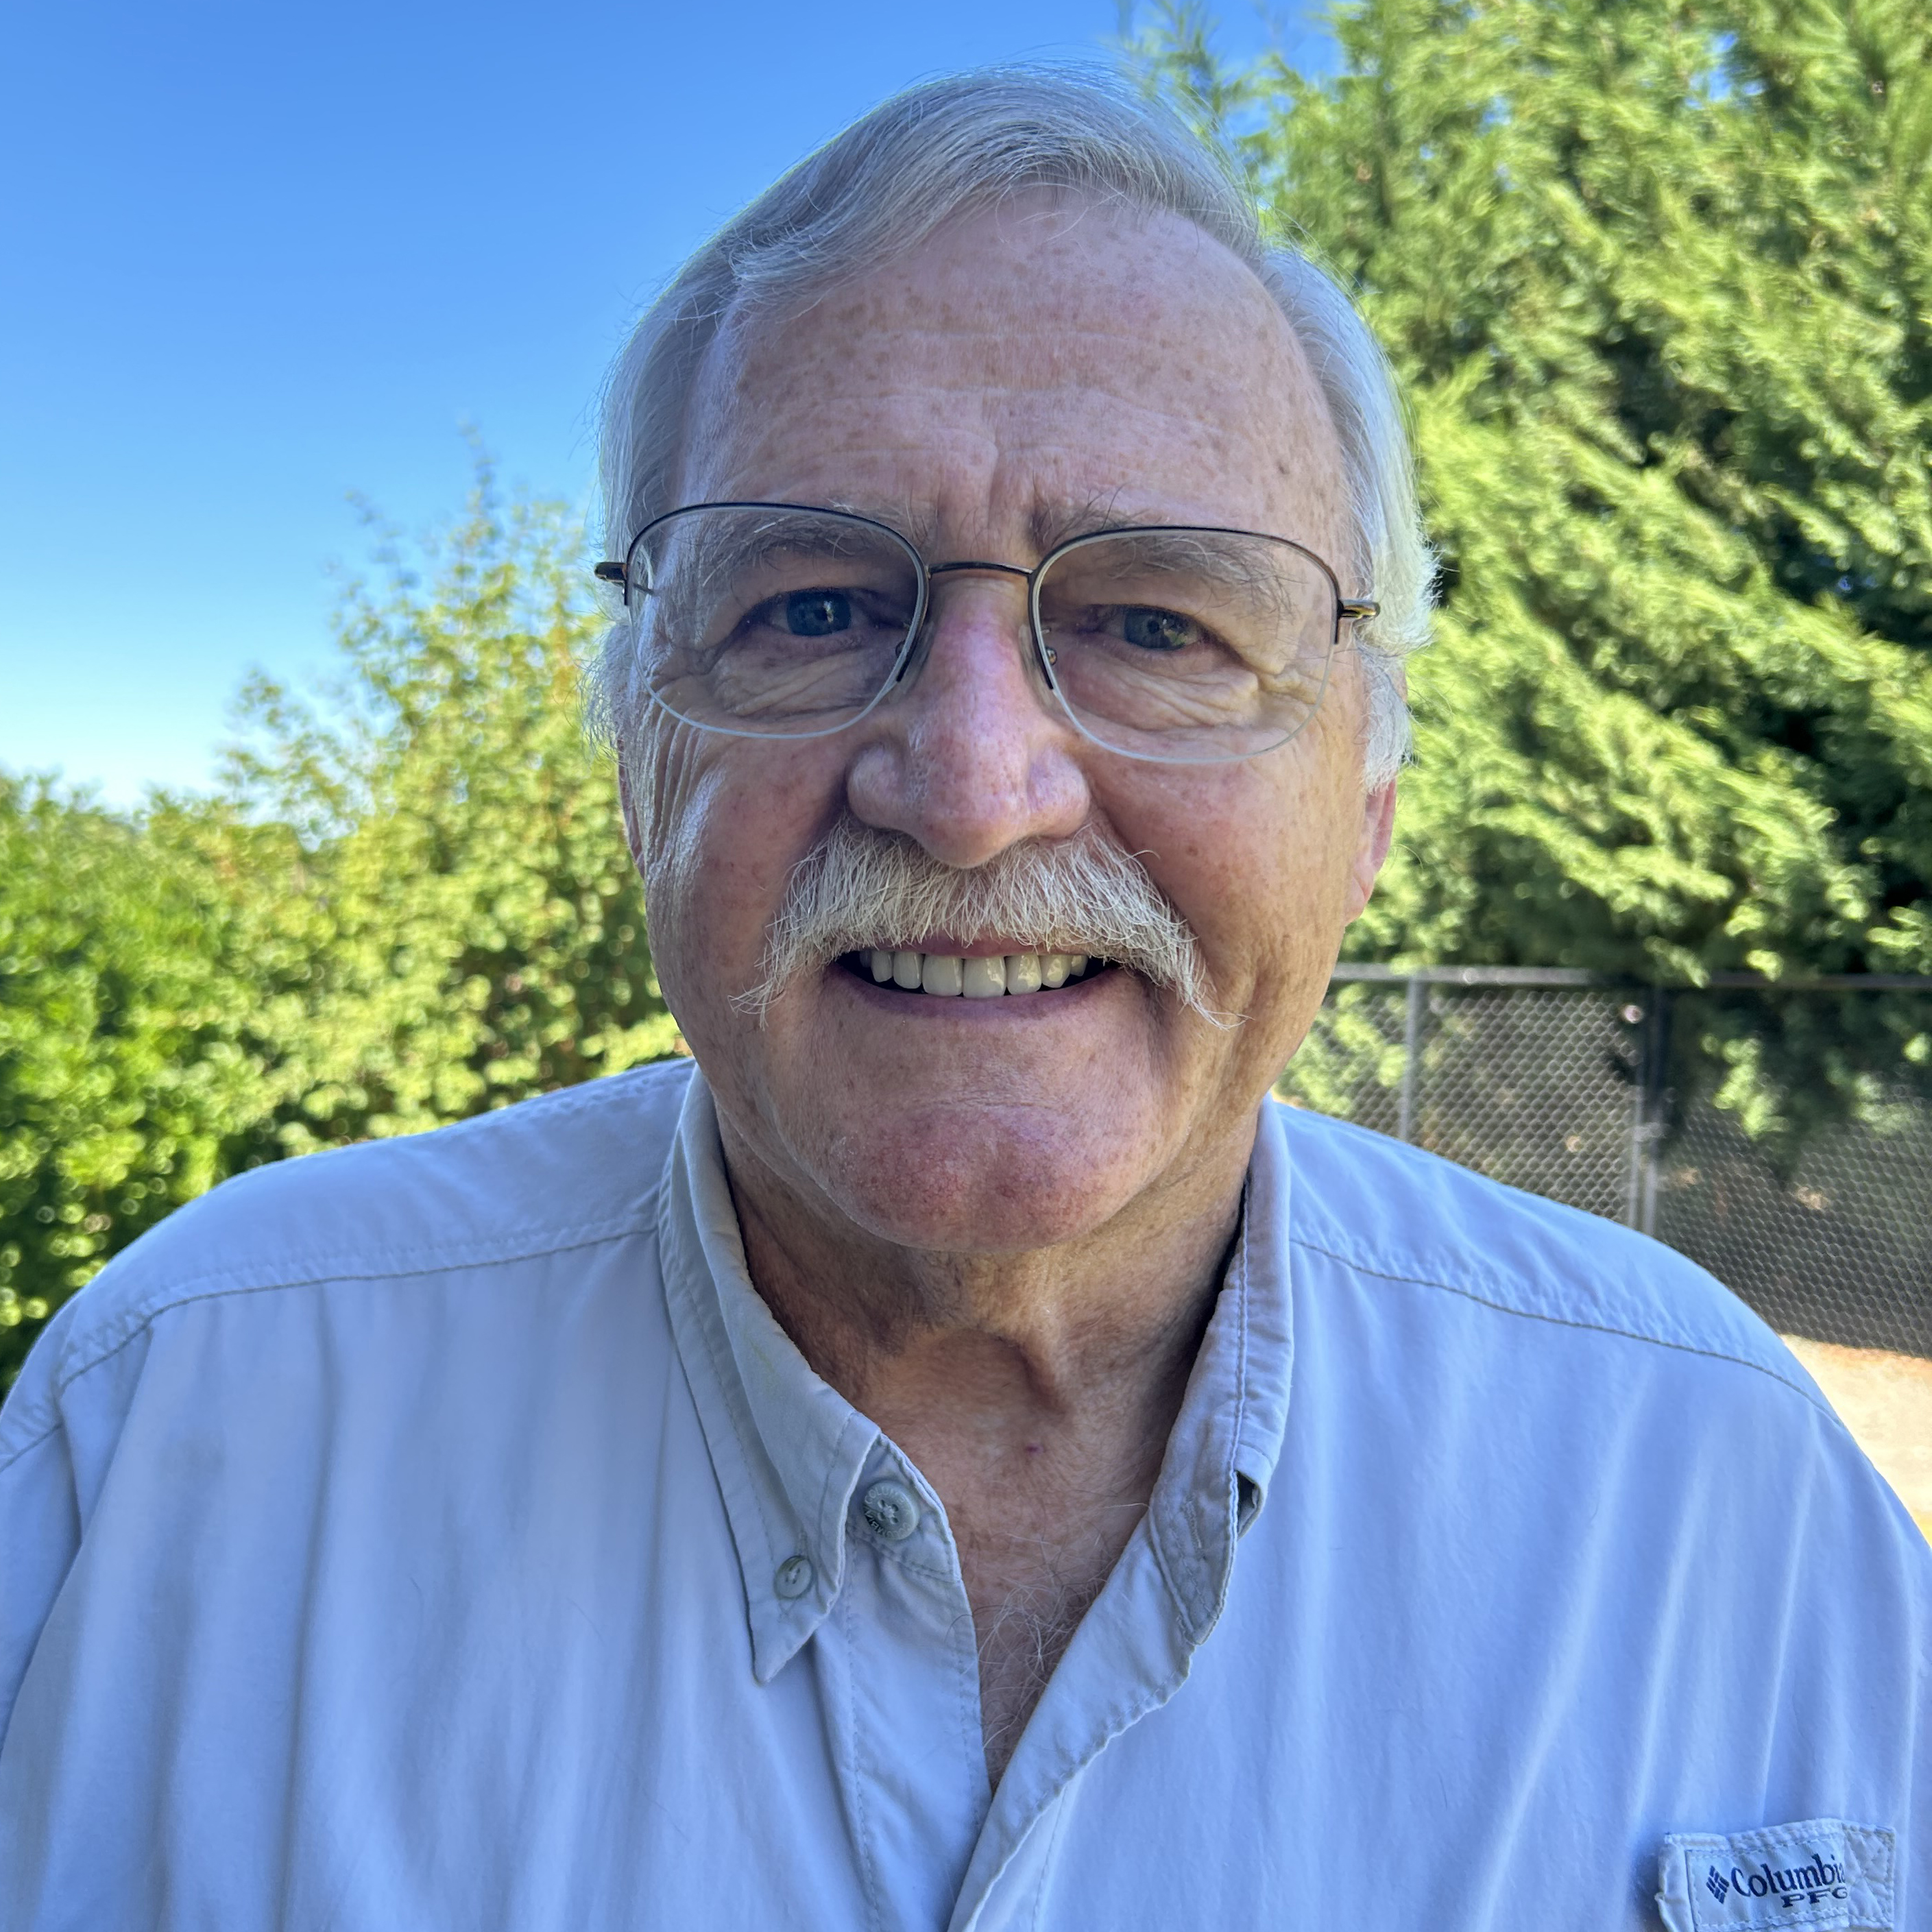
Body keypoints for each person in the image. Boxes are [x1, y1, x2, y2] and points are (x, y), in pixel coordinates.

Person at [0, 65, 1924, 1932]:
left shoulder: (1715, 1504)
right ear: (638, 763)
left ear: (1363, 806)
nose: (975, 785)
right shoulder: (170, 1444)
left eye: (1158, 621)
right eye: (811, 607)